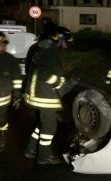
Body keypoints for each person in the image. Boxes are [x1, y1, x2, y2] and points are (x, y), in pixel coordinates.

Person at [23, 22, 74, 164]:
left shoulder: (42, 48)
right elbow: (46, 74)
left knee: (42, 124)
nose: (66, 46)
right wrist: (61, 83)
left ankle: (30, 150)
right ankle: (44, 157)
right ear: (60, 39)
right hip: (44, 97)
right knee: (50, 126)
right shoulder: (51, 51)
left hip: (37, 94)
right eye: (65, 42)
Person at [0, 32, 22, 152]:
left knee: (1, 120)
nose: (1, 46)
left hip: (2, 97)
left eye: (2, 44)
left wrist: (17, 95)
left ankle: (1, 136)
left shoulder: (10, 60)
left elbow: (17, 78)